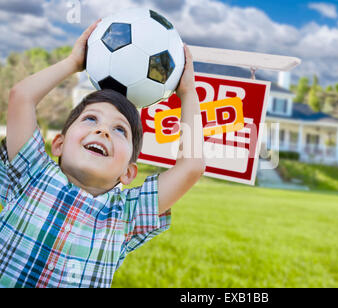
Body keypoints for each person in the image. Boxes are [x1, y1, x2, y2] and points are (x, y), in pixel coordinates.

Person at [0, 19, 205, 287]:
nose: (103, 131)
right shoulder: (32, 173)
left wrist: (188, 93)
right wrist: (73, 63)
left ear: (129, 172)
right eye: (90, 119)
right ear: (59, 144)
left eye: (120, 130)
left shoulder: (125, 216)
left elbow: (192, 165)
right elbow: (22, 96)